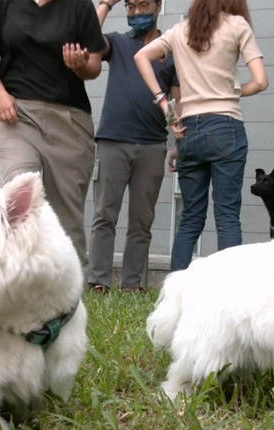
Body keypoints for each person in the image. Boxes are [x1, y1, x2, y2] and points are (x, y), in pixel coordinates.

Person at [134, 0, 268, 272]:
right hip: (225, 127)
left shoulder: (180, 30)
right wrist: (232, 91)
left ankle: (174, 294)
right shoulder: (237, 26)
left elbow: (140, 57)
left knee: (190, 219)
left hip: (188, 131)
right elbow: (261, 81)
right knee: (227, 217)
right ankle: (227, 297)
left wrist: (164, 105)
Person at [0, 0, 107, 270]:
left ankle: (69, 303)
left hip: (69, 121)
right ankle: (15, 288)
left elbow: (94, 64)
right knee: (18, 205)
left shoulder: (79, 5)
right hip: (18, 118)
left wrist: (79, 65)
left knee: (65, 221)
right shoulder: (2, 3)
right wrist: (0, 95)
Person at [87, 0, 178, 293]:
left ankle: (132, 285)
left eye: (143, 5)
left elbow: (178, 101)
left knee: (142, 221)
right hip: (113, 141)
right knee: (104, 215)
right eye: (130, 7)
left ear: (158, 5)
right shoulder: (116, 43)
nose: (136, 13)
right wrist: (105, 4)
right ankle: (98, 281)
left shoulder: (170, 50)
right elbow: (88, 37)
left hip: (153, 145)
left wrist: (177, 142)